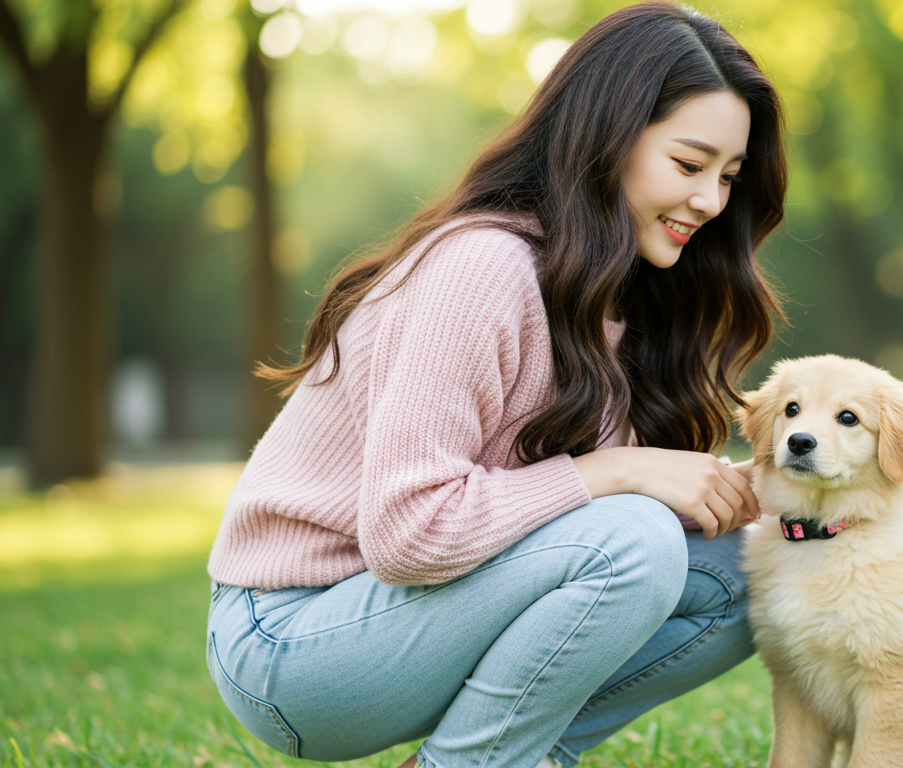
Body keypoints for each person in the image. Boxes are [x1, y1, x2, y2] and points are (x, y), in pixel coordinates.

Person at [203, 3, 788, 768]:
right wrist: (617, 471)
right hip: (292, 641)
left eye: (728, 177)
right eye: (689, 165)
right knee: (633, 539)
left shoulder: (625, 291)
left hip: (432, 614)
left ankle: (512, 756)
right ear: (608, 138)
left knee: (764, 560)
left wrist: (728, 491)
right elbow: (408, 535)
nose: (711, 201)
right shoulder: (483, 266)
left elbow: (559, 524)